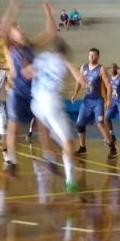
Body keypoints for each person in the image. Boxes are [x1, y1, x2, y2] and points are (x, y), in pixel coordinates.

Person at [0, 0, 57, 175]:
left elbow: (51, 32)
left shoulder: (30, 46)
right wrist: (13, 8)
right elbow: (4, 27)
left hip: (34, 93)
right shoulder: (10, 48)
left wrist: (49, 14)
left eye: (21, 28)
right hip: (17, 93)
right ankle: (12, 161)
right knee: (13, 127)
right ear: (12, 35)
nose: (22, 30)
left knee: (43, 125)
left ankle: (50, 159)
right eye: (17, 29)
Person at [30, 37, 88, 192]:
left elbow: (27, 73)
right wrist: (85, 84)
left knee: (46, 130)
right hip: (51, 102)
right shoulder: (64, 61)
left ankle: (49, 156)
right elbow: (80, 78)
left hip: (36, 103)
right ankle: (70, 181)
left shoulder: (41, 58)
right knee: (69, 141)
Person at [72, 48, 117, 158]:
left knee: (100, 124)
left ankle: (112, 148)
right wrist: (75, 93)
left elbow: (108, 85)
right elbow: (79, 81)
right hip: (87, 100)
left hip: (98, 101)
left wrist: (109, 99)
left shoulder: (101, 69)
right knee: (79, 125)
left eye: (94, 55)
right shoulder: (84, 67)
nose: (91, 57)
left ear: (98, 56)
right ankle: (82, 148)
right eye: (90, 55)